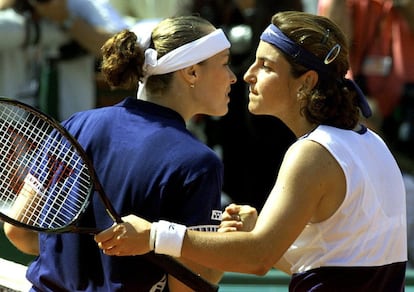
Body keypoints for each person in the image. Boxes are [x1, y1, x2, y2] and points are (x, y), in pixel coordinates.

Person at [94, 11, 408, 291]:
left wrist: (154, 236)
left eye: (266, 66)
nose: (247, 74)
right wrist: (257, 231)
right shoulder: (369, 142)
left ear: (306, 82)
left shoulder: (312, 154)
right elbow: (326, 265)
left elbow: (258, 258)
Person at [3, 15, 236, 291]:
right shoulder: (200, 163)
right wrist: (230, 241)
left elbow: (18, 230)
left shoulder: (78, 124)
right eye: (224, 64)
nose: (234, 77)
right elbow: (187, 286)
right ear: (192, 72)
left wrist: (72, 259)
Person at [0, 0, 127, 120]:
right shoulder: (9, 11)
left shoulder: (84, 4)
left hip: (71, 124)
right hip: (13, 124)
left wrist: (67, 20)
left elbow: (121, 48)